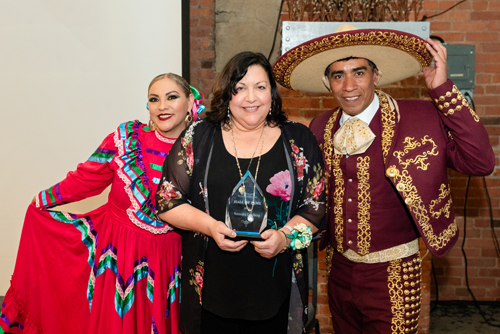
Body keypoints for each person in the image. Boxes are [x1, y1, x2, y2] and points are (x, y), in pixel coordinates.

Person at [273, 25, 495, 334]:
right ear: (328, 84)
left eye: (359, 73)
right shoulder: (320, 126)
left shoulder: (421, 116)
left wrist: (442, 89)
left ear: (376, 76)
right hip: (338, 270)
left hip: (395, 271)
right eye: (338, 76)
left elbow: (480, 162)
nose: (349, 85)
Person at [0, 73, 204, 334]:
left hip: (169, 261)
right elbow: (86, 178)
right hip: (118, 256)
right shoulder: (125, 139)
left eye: (171, 97)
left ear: (189, 102)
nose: (162, 106)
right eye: (154, 99)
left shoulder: (201, 148)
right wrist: (44, 198)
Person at [155, 51, 326, 334]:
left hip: (277, 290)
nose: (250, 98)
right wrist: (210, 227)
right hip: (211, 291)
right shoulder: (199, 136)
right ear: (228, 95)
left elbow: (315, 208)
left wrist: (284, 239)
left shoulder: (298, 139)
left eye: (260, 87)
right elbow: (167, 200)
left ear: (271, 93)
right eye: (240, 88)